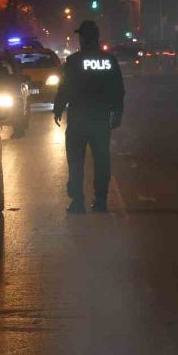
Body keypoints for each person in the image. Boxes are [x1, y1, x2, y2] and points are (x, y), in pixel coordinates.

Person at [53, 20, 124, 214]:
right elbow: (118, 90)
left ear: (84, 38)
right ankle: (100, 201)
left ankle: (77, 202)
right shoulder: (109, 61)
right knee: (101, 160)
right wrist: (117, 113)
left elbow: (65, 88)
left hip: (78, 120)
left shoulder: (75, 61)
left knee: (76, 161)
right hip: (100, 119)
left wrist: (58, 107)